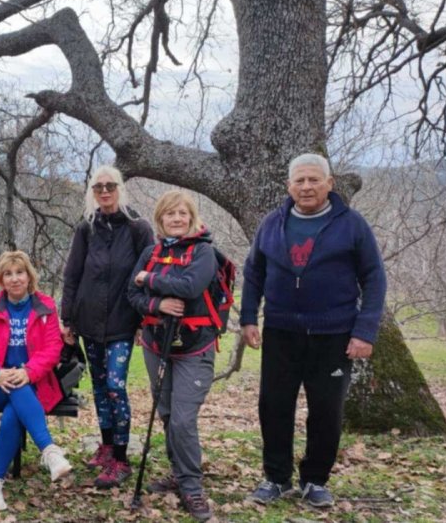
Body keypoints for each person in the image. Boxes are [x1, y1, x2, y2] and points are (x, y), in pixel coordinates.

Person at [241, 154, 386, 508]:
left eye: (313, 180)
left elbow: (374, 278)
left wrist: (365, 331)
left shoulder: (351, 224)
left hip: (334, 336)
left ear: (329, 183)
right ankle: (276, 479)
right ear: (289, 186)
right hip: (280, 332)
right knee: (273, 407)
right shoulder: (272, 223)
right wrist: (248, 318)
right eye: (299, 181)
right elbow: (253, 273)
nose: (306, 187)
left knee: (326, 409)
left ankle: (315, 480)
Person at [126, 190, 219, 521]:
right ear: (160, 219)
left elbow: (191, 286)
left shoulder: (203, 251)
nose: (177, 219)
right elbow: (131, 293)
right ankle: (179, 475)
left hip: (195, 347)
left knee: (182, 418)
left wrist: (149, 278)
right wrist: (156, 304)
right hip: (156, 345)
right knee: (166, 413)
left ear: (191, 217)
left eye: (182, 213)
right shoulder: (152, 251)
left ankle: (192, 487)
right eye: (170, 214)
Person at [60, 165, 154, 488]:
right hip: (88, 322)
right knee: (99, 387)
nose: (104, 191)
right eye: (98, 186)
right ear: (92, 192)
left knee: (115, 386)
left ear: (120, 188)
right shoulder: (86, 229)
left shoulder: (138, 228)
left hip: (123, 322)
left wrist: (144, 320)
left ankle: (122, 459)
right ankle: (107, 446)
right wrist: (67, 319)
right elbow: (72, 275)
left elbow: (149, 276)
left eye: (110, 185)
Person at [0, 251, 73, 512]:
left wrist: (28, 371)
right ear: (1, 280)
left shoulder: (45, 306)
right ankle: (48, 450)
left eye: (20, 272)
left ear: (29, 276)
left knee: (14, 411)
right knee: (16, 388)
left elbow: (52, 348)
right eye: (8, 274)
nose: (15, 279)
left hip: (36, 382)